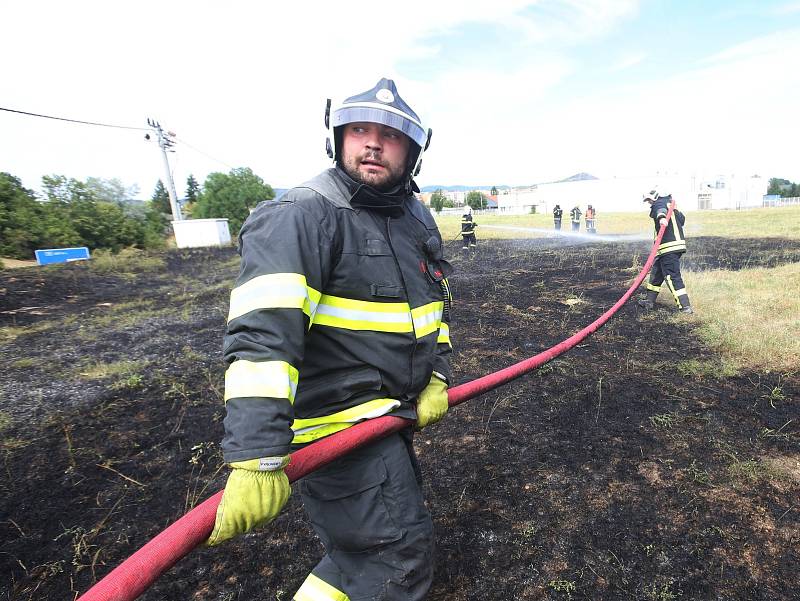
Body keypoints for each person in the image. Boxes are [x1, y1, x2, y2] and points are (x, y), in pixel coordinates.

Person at [207, 78, 453, 601]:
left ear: (411, 152)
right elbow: (262, 337)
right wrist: (256, 455)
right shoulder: (301, 215)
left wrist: (437, 374)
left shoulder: (413, 217)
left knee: (358, 554)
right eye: (360, 130)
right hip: (336, 424)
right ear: (337, 138)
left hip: (387, 416)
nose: (372, 143)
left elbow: (435, 306)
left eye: (389, 136)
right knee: (395, 558)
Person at [638, 188, 692, 313]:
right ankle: (649, 301)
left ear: (656, 197)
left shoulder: (660, 203)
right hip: (672, 247)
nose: (649, 203)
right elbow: (682, 220)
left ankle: (685, 306)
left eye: (650, 200)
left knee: (671, 276)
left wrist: (662, 217)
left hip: (669, 246)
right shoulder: (671, 205)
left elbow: (659, 210)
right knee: (657, 273)